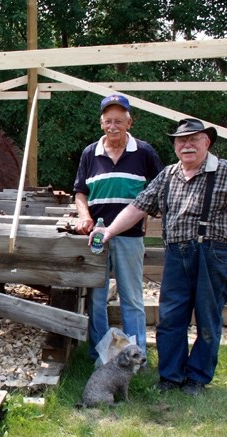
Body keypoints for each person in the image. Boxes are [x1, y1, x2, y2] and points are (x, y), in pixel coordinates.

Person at [92, 118, 227, 395]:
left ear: (207, 142)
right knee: (170, 318)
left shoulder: (225, 171)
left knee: (207, 318)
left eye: (194, 139)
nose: (187, 145)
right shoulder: (169, 174)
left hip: (214, 253)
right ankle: (170, 377)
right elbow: (138, 207)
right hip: (178, 253)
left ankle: (197, 380)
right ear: (176, 146)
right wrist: (108, 232)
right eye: (181, 140)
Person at [73, 94, 163, 362]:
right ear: (101, 123)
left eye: (119, 121)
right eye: (108, 121)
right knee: (97, 299)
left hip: (130, 236)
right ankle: (101, 356)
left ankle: (138, 357)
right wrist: (84, 215)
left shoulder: (144, 152)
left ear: (129, 122)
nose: (113, 126)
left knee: (132, 298)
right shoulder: (90, 153)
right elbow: (80, 192)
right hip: (97, 236)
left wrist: (147, 212)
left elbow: (160, 189)